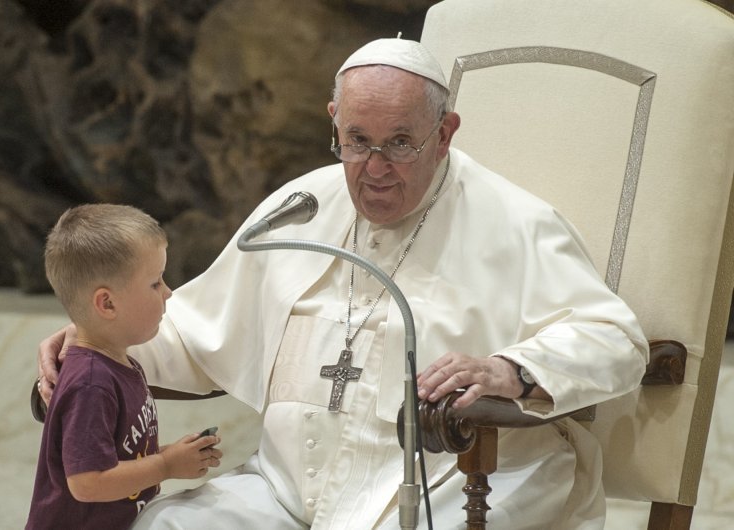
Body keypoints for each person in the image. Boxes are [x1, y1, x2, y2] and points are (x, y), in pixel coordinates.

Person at [37, 38, 648, 529]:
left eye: (401, 144)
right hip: (287, 490)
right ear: (334, 122)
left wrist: (510, 370)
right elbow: (197, 332)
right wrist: (92, 339)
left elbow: (616, 339)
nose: (375, 169)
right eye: (356, 142)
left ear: (446, 133)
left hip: (451, 482)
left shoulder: (517, 222)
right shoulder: (299, 207)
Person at [26, 204, 223, 530]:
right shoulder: (91, 384)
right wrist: (165, 465)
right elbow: (88, 482)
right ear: (107, 303)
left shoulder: (120, 361)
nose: (169, 293)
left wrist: (173, 453)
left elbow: (111, 457)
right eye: (156, 283)